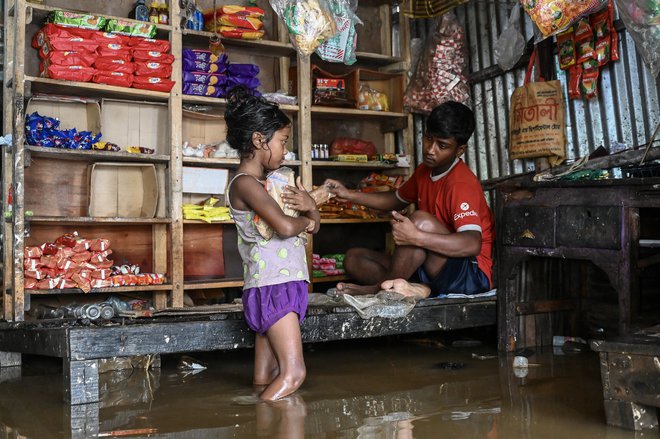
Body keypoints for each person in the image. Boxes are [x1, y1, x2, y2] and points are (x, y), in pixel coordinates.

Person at [325, 101, 494, 299]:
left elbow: (472, 244)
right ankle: (406, 286)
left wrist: (416, 237)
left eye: (442, 146)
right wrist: (348, 194)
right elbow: (394, 199)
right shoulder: (425, 171)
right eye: (428, 139)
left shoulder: (461, 183)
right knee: (354, 258)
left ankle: (379, 288)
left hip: (470, 273)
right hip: (431, 262)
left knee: (421, 221)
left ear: (460, 150)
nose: (431, 150)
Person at [224, 86, 320, 401]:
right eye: (282, 142)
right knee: (294, 374)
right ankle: (258, 420)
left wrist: (310, 206)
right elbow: (284, 226)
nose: (285, 151)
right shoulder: (246, 184)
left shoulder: (267, 185)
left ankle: (266, 426)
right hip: (275, 286)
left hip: (274, 284)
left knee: (264, 378)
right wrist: (305, 220)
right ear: (258, 140)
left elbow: (312, 225)